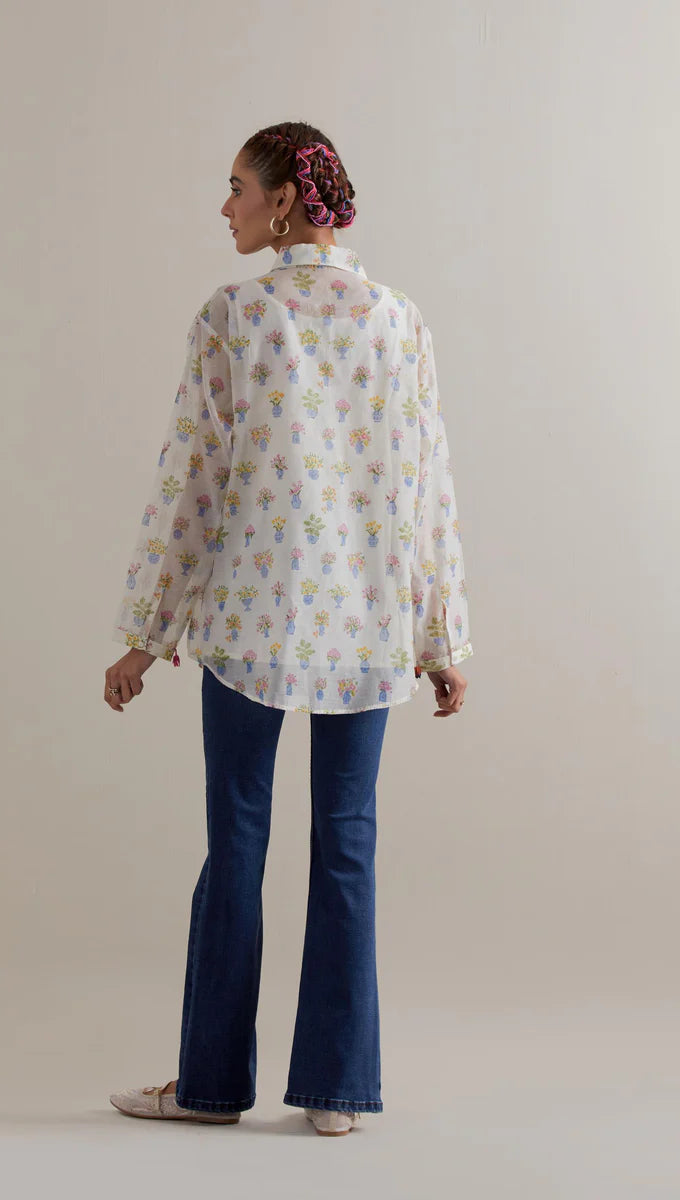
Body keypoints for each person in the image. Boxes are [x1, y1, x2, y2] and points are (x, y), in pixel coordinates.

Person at [105, 121, 473, 1136]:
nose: (222, 206)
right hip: (366, 626)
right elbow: (426, 487)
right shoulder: (397, 320)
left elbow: (191, 483)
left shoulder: (233, 317)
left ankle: (209, 1087)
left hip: (250, 623)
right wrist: (440, 638)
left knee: (236, 845)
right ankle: (335, 1095)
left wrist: (145, 633)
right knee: (346, 845)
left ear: (283, 202)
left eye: (235, 187)